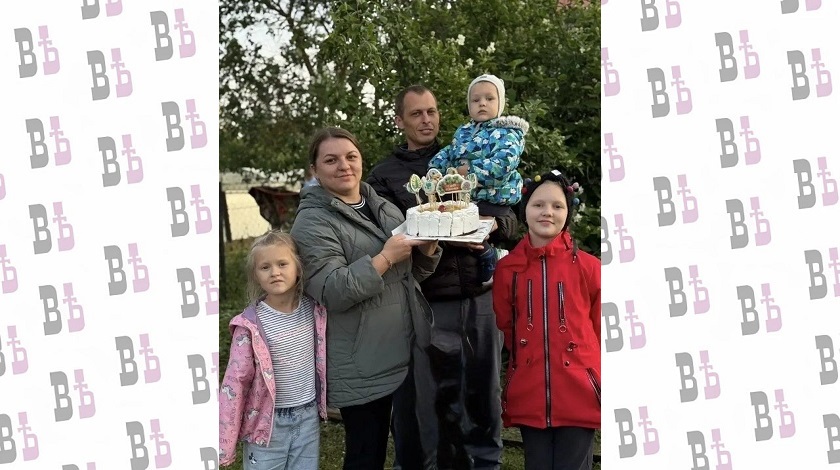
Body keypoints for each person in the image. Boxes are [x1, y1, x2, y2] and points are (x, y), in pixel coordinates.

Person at [368, 85, 517, 470]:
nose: (426, 120)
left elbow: (510, 215)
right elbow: (385, 236)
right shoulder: (384, 176)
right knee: (423, 403)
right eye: (416, 113)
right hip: (426, 302)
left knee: (482, 397)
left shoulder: (467, 155)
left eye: (431, 111)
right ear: (400, 120)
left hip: (479, 297)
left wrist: (494, 226)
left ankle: (484, 465)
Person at [290, 127, 441, 470]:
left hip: (405, 347)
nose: (344, 165)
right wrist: (385, 257)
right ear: (315, 170)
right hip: (362, 358)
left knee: (416, 450)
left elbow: (408, 275)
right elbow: (332, 290)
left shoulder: (381, 205)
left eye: (351, 156)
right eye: (331, 160)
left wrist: (429, 251)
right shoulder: (312, 223)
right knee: (366, 454)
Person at [492, 169, 600, 470]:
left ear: (568, 212)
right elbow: (507, 326)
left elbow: (598, 327)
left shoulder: (590, 268)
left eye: (557, 205)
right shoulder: (507, 270)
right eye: (538, 204)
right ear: (524, 209)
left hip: (580, 390)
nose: (547, 212)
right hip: (530, 390)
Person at [219, 230, 327, 470]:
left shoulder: (315, 311)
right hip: (266, 423)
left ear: (298, 268)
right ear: (256, 275)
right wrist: (224, 443)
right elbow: (235, 383)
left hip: (307, 417)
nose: (275, 272)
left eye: (282, 264)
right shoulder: (250, 326)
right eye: (265, 267)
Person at [427, 74, 528, 283]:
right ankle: (488, 254)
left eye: (489, 98)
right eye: (476, 100)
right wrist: (436, 168)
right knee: (461, 227)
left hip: (494, 198)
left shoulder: (508, 133)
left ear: (500, 103)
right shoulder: (464, 132)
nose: (482, 103)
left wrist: (467, 171)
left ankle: (492, 254)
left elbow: (503, 165)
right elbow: (450, 152)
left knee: (477, 227)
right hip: (468, 197)